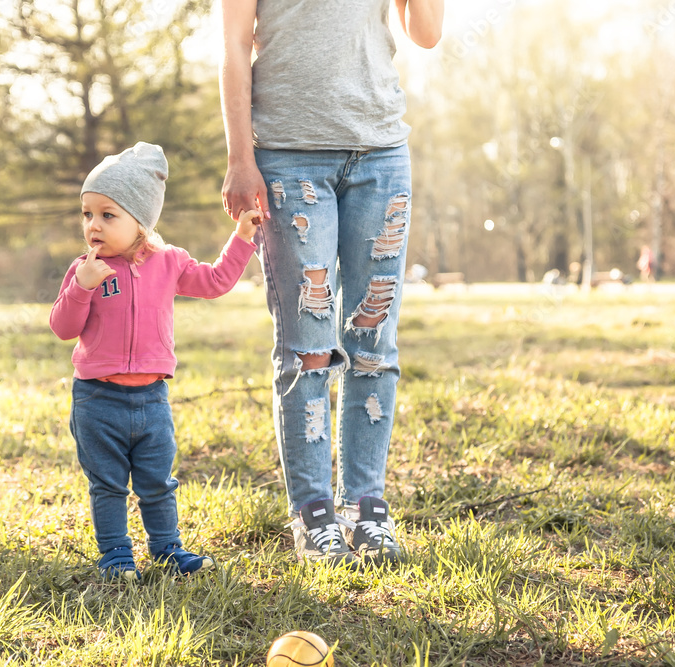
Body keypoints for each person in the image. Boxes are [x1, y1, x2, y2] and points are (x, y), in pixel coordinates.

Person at [220, 1, 444, 567]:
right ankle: (314, 513)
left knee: (374, 341)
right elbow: (233, 48)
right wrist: (240, 157)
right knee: (308, 349)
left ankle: (366, 507)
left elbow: (427, 33)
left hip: (380, 155)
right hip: (287, 160)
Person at [50, 142, 261, 580]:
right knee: (107, 486)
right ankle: (115, 556)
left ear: (141, 220)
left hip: (152, 400)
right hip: (97, 400)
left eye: (108, 215)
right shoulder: (84, 269)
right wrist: (82, 287)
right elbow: (63, 326)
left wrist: (241, 239)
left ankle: (167, 550)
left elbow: (216, 281)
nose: (94, 225)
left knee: (157, 484)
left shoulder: (170, 263)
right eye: (87, 213)